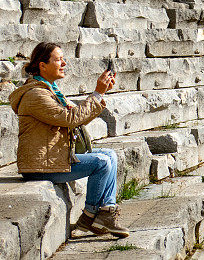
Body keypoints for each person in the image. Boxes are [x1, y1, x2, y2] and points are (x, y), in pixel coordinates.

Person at [9, 42, 130, 238]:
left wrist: (101, 94)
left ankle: (106, 211)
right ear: (42, 65)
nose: (64, 63)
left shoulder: (52, 91)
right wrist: (97, 93)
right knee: (101, 162)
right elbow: (69, 119)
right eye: (58, 59)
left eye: (64, 59)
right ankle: (90, 216)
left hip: (54, 159)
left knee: (110, 154)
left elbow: (77, 120)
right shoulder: (35, 95)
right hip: (40, 167)